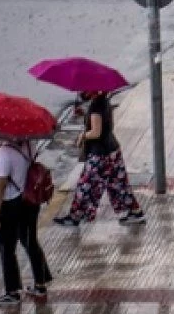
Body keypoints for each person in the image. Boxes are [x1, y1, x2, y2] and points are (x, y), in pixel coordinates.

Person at [53, 91, 145, 227]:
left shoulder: (96, 106)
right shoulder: (105, 102)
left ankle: (75, 216)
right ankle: (135, 212)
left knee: (85, 185)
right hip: (112, 151)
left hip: (100, 155)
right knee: (119, 185)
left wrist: (82, 136)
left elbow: (96, 132)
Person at [0, 140, 54, 306]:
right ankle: (40, 284)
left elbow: (1, 184)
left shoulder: (4, 152)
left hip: (11, 203)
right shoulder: (29, 144)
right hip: (30, 200)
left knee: (6, 247)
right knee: (29, 240)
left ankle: (12, 292)